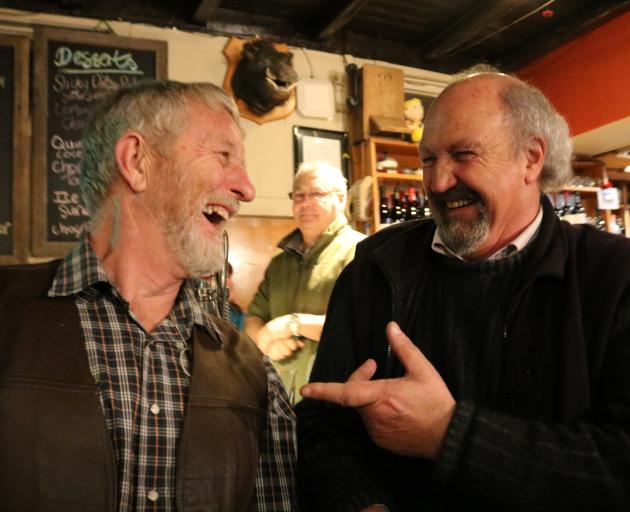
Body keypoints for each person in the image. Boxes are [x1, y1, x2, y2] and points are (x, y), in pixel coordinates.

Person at [296, 65, 630, 511]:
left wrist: (447, 433)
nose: (437, 182)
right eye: (429, 159)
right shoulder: (376, 266)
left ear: (531, 159)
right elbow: (322, 423)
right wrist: (362, 503)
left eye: (463, 154)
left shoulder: (613, 274)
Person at [0, 80, 296, 511]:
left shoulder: (254, 374)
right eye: (223, 155)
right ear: (137, 161)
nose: (247, 189)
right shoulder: (7, 313)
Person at [245, 161, 365, 398]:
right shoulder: (280, 262)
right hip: (279, 399)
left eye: (317, 193)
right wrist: (264, 338)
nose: (305, 203)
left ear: (341, 199)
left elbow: (361, 326)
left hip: (335, 403)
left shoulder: (361, 251)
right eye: (298, 195)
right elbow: (253, 317)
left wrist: (292, 324)